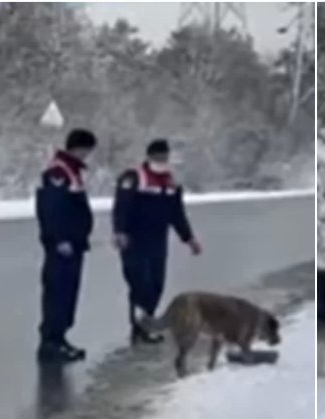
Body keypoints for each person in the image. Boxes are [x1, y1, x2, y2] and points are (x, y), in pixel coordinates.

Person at [112, 139, 202, 343]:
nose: (161, 161)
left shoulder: (171, 183)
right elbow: (121, 207)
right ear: (149, 156)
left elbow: (177, 214)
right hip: (134, 240)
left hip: (157, 240)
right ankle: (139, 327)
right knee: (140, 284)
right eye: (157, 157)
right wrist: (119, 231)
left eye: (164, 157)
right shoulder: (133, 177)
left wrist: (189, 239)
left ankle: (145, 324)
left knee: (155, 285)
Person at [35, 129, 97, 363]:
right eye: (86, 150)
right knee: (58, 293)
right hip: (63, 247)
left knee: (68, 293)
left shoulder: (72, 171)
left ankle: (60, 337)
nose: (87, 155)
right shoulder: (58, 172)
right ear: (78, 148)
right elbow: (51, 209)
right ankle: (51, 341)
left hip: (75, 245)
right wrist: (60, 238)